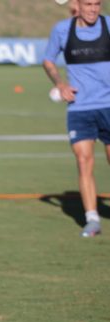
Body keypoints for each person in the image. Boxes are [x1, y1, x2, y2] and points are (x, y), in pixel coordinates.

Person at [43, 0, 110, 237]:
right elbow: (48, 60)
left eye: (97, 4)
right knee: (84, 161)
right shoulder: (62, 30)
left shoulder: (109, 26)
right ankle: (92, 219)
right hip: (80, 108)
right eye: (88, 4)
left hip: (109, 106)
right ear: (77, 5)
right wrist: (60, 84)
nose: (93, 9)